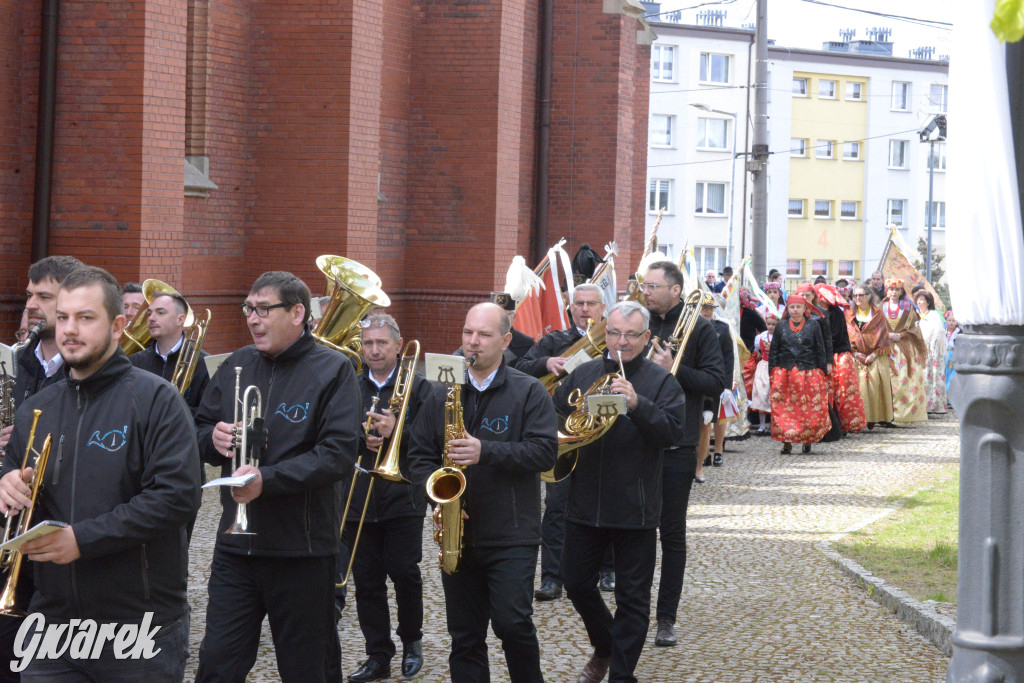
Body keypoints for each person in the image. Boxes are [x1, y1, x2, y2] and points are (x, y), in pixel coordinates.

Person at [0, 266, 201, 680]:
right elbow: (12, 480)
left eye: (85, 318)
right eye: (64, 318)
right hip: (51, 624)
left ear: (117, 325)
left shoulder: (156, 399)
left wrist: (82, 540)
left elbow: (176, 498)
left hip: (139, 625)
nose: (70, 330)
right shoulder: (37, 407)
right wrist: (5, 485)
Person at [194, 271, 361, 683]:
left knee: (308, 670)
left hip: (301, 550)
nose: (253, 319)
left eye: (264, 309)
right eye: (249, 308)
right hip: (236, 548)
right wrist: (211, 438)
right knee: (216, 664)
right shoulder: (237, 363)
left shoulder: (333, 369)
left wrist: (269, 479)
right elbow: (196, 429)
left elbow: (337, 454)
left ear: (297, 313)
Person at [407, 302, 557, 683]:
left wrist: (484, 450)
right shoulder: (441, 391)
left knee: (512, 624)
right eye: (467, 332)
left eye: (484, 335)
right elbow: (418, 455)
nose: (472, 342)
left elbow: (544, 452)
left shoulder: (529, 390)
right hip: (457, 532)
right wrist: (437, 496)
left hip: (512, 532)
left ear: (506, 340)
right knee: (465, 636)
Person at [554, 301, 685, 683]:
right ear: (604, 334)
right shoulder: (585, 374)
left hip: (636, 506)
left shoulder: (662, 382)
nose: (621, 342)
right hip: (584, 503)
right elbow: (557, 419)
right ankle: (606, 646)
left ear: (646, 338)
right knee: (575, 582)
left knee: (632, 599)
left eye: (630, 335)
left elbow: (672, 434)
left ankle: (621, 675)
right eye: (614, 333)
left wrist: (637, 404)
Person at [641, 262, 726, 648]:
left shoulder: (701, 327)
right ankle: (633, 611)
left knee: (671, 533)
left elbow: (715, 382)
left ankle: (666, 619)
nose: (645, 291)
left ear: (675, 290)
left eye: (653, 286)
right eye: (643, 284)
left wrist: (672, 370)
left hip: (677, 442)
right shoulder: (636, 321)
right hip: (635, 440)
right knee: (632, 530)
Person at [343, 312, 431, 682]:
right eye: (368, 343)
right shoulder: (348, 385)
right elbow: (333, 435)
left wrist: (399, 431)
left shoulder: (421, 388)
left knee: (404, 573)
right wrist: (360, 439)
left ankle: (412, 641)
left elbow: (432, 441)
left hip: (403, 497)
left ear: (399, 345)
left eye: (381, 343)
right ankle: (378, 653)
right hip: (359, 497)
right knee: (366, 580)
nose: (374, 350)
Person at [513, 283, 606, 603]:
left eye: (591, 303)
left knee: (603, 500)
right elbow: (519, 368)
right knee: (556, 506)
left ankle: (607, 569)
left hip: (601, 430)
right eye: (578, 303)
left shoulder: (615, 341)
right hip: (561, 429)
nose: (584, 309)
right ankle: (552, 577)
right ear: (570, 306)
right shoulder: (554, 341)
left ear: (602, 308)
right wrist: (546, 363)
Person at [768, 294, 831, 454]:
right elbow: (774, 350)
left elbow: (820, 348)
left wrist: (822, 370)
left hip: (808, 372)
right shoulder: (781, 326)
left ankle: (807, 439)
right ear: (787, 309)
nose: (795, 310)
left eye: (798, 307)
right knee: (784, 408)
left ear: (805, 309)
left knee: (807, 408)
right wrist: (773, 371)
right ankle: (786, 441)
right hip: (785, 373)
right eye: (792, 307)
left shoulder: (813, 325)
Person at [128, 290, 210, 411]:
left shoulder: (203, 363)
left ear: (180, 320)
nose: (151, 318)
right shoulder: (134, 362)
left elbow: (207, 416)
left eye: (160, 313)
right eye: (149, 314)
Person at [813, 283, 866, 434]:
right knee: (832, 391)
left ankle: (843, 424)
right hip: (833, 356)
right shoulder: (824, 312)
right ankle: (834, 425)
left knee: (842, 392)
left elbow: (833, 336)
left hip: (839, 356)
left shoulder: (834, 312)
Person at [846, 285, 894, 427]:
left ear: (868, 296)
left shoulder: (878, 315)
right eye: (855, 296)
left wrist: (874, 354)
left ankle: (874, 418)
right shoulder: (848, 315)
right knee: (857, 387)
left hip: (875, 356)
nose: (857, 298)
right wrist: (854, 352)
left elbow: (884, 338)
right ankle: (858, 419)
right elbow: (846, 336)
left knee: (874, 386)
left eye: (861, 295)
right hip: (856, 356)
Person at [696, 295, 735, 470]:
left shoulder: (722, 328)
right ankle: (704, 455)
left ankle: (718, 451)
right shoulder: (693, 326)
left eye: (710, 308)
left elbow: (729, 358)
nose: (707, 311)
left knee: (719, 416)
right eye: (704, 308)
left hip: (718, 378)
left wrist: (727, 386)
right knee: (702, 420)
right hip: (700, 377)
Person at [881, 279, 927, 424]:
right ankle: (884, 416)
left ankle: (901, 416)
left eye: (897, 289)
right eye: (891, 289)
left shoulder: (908, 307)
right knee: (885, 380)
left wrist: (901, 335)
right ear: (886, 291)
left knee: (902, 380)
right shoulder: (880, 307)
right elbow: (873, 327)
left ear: (901, 291)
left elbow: (914, 327)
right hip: (884, 347)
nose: (893, 292)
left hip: (904, 348)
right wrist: (886, 335)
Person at [915, 291, 948, 415]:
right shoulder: (915, 315)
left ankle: (935, 405)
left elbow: (939, 333)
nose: (920, 302)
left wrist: (931, 347)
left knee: (933, 377)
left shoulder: (933, 315)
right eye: (918, 299)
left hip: (932, 352)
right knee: (920, 378)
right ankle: (921, 405)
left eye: (922, 299)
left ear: (928, 302)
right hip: (918, 350)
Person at [748, 314, 776, 433]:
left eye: (774, 324)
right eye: (768, 324)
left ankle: (772, 425)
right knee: (761, 393)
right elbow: (756, 350)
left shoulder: (780, 336)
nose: (771, 326)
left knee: (773, 394)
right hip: (763, 366)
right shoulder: (761, 337)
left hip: (775, 366)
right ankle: (762, 425)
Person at [491, 292, 535, 361]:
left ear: (514, 317)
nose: (502, 319)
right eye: (497, 314)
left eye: (506, 315)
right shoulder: (480, 338)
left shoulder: (526, 343)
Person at [944, 309, 960, 400]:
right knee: (944, 374)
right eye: (949, 320)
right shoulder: (943, 331)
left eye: (953, 321)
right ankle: (944, 398)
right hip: (944, 355)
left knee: (952, 376)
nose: (951, 323)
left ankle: (950, 398)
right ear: (946, 321)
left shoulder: (959, 332)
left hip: (954, 355)